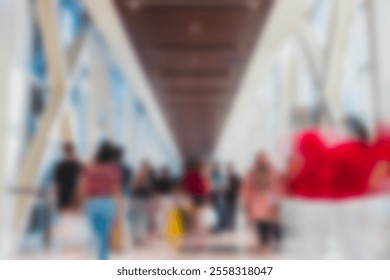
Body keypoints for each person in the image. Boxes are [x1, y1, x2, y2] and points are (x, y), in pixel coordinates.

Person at [79, 141, 122, 260]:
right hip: (107, 203)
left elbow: (84, 188)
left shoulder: (89, 167)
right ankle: (103, 259)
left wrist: (82, 205)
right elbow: (116, 191)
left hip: (92, 203)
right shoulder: (113, 169)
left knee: (92, 235)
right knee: (104, 237)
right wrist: (119, 212)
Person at [241, 153, 280, 253]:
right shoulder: (252, 173)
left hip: (268, 200)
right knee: (260, 223)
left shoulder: (272, 172)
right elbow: (247, 187)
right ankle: (264, 241)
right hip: (257, 201)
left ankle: (267, 240)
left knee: (269, 222)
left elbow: (276, 185)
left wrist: (277, 199)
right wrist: (246, 201)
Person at [53, 142, 82, 213]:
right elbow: (57, 184)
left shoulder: (60, 166)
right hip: (68, 195)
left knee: (67, 216)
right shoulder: (77, 165)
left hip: (70, 195)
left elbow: (57, 185)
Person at [128, 163, 153, 246]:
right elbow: (144, 193)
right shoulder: (143, 179)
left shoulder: (138, 180)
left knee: (136, 221)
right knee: (139, 221)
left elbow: (132, 190)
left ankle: (136, 239)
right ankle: (137, 239)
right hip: (140, 201)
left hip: (137, 201)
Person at [210, 162, 227, 232]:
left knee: (220, 212)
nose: (215, 168)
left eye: (216, 167)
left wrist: (216, 188)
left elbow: (224, 186)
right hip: (213, 197)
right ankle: (215, 226)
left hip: (219, 197)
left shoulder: (221, 175)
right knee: (214, 213)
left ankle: (219, 227)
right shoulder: (211, 175)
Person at [225, 164, 241, 230]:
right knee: (229, 211)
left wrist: (237, 192)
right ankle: (230, 224)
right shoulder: (227, 178)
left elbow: (239, 186)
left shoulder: (235, 177)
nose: (229, 171)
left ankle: (233, 225)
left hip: (234, 196)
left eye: (230, 169)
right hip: (228, 196)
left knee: (233, 211)